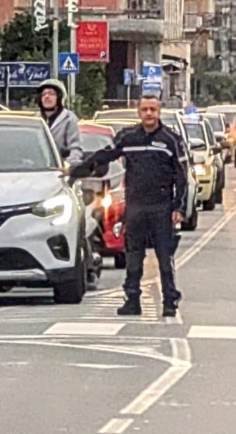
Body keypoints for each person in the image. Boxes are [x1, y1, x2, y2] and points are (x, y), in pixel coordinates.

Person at [71, 95, 189, 317]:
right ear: (139, 112)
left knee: (165, 258)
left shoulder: (171, 140)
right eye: (145, 109)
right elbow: (105, 155)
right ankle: (132, 300)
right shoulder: (128, 137)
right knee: (133, 257)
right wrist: (76, 171)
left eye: (153, 109)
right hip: (135, 207)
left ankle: (169, 302)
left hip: (162, 208)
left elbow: (182, 177)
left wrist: (179, 208)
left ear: (159, 112)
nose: (149, 113)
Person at [37, 78, 83, 166]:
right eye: (43, 94)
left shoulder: (69, 119)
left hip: (60, 169)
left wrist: (67, 165)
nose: (47, 97)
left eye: (51, 94)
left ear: (60, 97)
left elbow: (75, 148)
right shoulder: (35, 119)